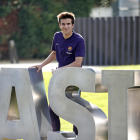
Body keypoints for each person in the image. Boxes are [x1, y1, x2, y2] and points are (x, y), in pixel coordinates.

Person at [30, 12, 85, 135]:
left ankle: (78, 136)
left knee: (74, 110)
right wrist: (41, 65)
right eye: (63, 24)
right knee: (52, 109)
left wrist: (60, 70)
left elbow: (78, 63)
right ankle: (56, 136)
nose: (66, 26)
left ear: (73, 25)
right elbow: (54, 54)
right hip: (59, 79)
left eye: (68, 24)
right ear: (60, 25)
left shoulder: (79, 40)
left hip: (74, 79)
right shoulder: (57, 36)